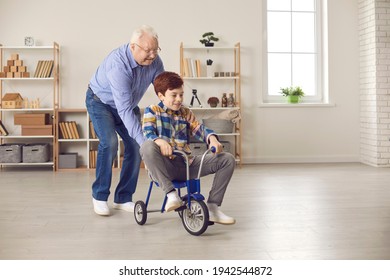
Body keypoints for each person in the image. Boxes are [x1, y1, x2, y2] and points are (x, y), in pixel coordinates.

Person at [85, 25, 164, 216]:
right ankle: (100, 196)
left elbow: (163, 89)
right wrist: (145, 140)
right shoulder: (118, 64)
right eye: (148, 50)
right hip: (100, 102)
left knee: (136, 147)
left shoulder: (154, 61)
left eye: (156, 50)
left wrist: (175, 105)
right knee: (110, 143)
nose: (152, 55)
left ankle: (123, 197)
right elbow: (125, 109)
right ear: (133, 47)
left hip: (126, 104)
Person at [140, 71, 236, 225]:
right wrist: (160, 141)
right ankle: (171, 194)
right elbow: (148, 132)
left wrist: (212, 138)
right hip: (164, 167)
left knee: (228, 159)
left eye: (181, 95)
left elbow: (199, 128)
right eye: (174, 95)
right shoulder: (152, 111)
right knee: (146, 146)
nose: (179, 99)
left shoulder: (185, 112)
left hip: (186, 164)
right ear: (161, 95)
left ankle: (212, 207)